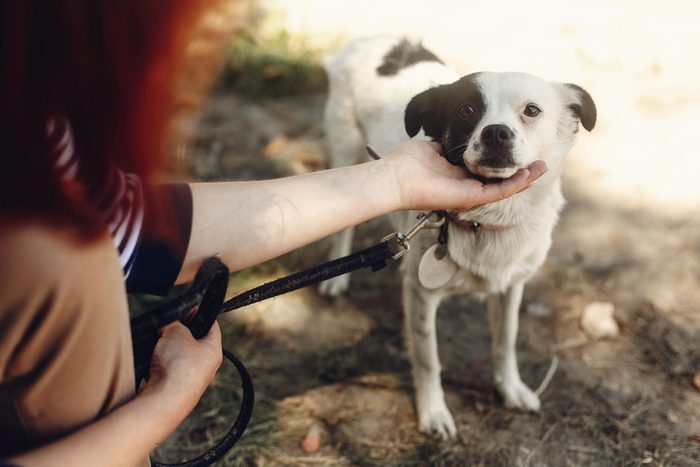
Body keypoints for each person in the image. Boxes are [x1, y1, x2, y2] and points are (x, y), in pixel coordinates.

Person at [0, 1, 547, 465]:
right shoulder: (33, 219)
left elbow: (134, 229)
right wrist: (165, 405)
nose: (199, 61)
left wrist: (393, 183)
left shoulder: (37, 149)